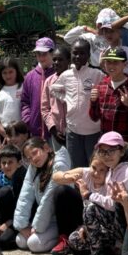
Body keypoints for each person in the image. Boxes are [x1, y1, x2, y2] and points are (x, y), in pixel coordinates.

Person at [69, 132, 128, 255]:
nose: (107, 155)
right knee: (75, 240)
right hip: (114, 224)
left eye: (111, 151)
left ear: (121, 151)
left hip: (126, 226)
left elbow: (114, 204)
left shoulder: (127, 170)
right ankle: (111, 251)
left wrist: (88, 195)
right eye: (103, 151)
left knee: (90, 208)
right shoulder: (112, 169)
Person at [50, 37, 104, 168]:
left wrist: (98, 99)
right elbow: (53, 89)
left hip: (93, 130)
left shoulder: (96, 74)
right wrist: (66, 98)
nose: (78, 56)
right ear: (71, 55)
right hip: (73, 131)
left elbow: (106, 89)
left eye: (82, 53)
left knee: (94, 166)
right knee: (76, 167)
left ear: (88, 55)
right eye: (75, 53)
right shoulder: (66, 75)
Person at [14, 137, 70, 253]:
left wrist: (37, 227)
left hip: (61, 219)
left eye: (35, 153)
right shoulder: (33, 167)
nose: (33, 159)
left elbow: (48, 198)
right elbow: (25, 196)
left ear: (46, 148)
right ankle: (45, 234)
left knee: (33, 244)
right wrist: (22, 225)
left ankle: (65, 238)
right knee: (20, 240)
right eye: (29, 158)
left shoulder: (59, 164)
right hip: (46, 219)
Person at [50, 152, 108, 255]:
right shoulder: (86, 173)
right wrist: (68, 177)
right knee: (61, 190)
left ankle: (105, 247)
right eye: (94, 168)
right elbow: (55, 176)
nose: (96, 173)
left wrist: (86, 227)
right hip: (84, 217)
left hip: (103, 222)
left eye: (102, 170)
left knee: (80, 251)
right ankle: (64, 239)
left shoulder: (111, 180)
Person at [88, 46, 128, 144]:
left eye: (116, 62)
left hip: (126, 143)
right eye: (108, 62)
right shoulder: (101, 86)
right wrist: (93, 101)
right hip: (106, 143)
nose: (111, 66)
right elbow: (94, 117)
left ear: (125, 64)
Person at [62, 7, 128, 71]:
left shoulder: (117, 37)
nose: (100, 26)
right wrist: (85, 28)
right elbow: (68, 38)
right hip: (96, 69)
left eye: (104, 23)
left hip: (115, 69)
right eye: (99, 23)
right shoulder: (89, 37)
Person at [0, 145, 27, 250]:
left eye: (10, 162)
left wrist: (9, 223)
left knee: (4, 242)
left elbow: (27, 207)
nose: (6, 166)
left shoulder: (26, 179)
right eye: (3, 162)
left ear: (19, 163)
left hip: (21, 219)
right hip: (3, 220)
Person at [20, 37, 55, 137]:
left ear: (52, 53)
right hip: (35, 130)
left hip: (55, 131)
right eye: (38, 54)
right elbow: (25, 102)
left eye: (44, 53)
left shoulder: (58, 74)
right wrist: (28, 120)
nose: (41, 57)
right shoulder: (30, 77)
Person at [0, 57, 24, 140]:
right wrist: (3, 132)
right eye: (4, 73)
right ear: (0, 74)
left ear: (17, 71)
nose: (8, 75)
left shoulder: (24, 87)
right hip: (5, 132)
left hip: (23, 132)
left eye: (11, 72)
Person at [41, 44, 70, 151]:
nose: (57, 62)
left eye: (60, 60)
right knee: (59, 159)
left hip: (74, 132)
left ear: (68, 61)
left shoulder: (75, 79)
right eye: (54, 60)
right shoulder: (49, 82)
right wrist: (53, 130)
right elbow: (44, 108)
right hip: (56, 133)